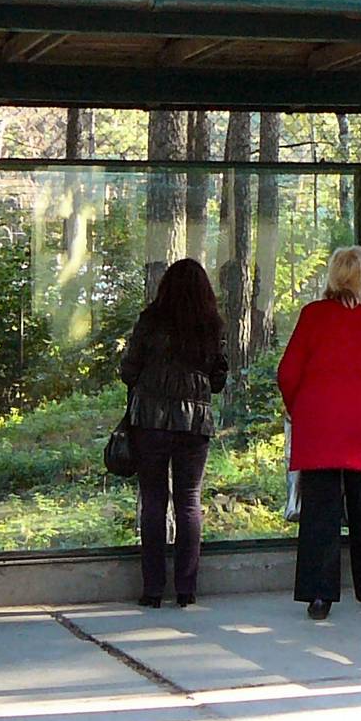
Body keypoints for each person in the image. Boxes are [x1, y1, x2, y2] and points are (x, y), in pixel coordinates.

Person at [277, 244, 361, 620]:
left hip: (318, 423)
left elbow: (287, 372)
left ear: (333, 276)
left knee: (320, 510)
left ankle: (319, 596)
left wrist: (299, 407)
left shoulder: (313, 316)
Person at [120, 258, 228, 609]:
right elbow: (218, 380)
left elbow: (129, 370)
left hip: (149, 420)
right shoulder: (211, 325)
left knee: (153, 501)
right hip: (194, 425)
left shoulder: (150, 319)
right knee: (188, 500)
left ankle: (152, 590)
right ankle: (186, 589)